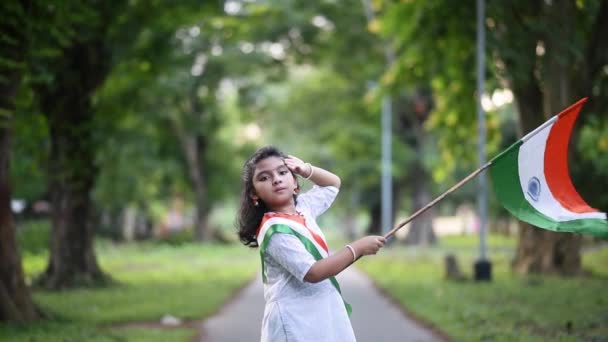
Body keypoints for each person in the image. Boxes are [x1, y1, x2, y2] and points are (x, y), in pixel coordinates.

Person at [237, 145, 386, 342]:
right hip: (295, 320)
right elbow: (313, 272)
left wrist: (306, 169)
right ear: (254, 195)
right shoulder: (274, 231)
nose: (276, 179)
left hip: (322, 311)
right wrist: (357, 248)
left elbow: (333, 184)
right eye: (264, 177)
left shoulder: (303, 207)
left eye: (282, 172)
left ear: (295, 183)